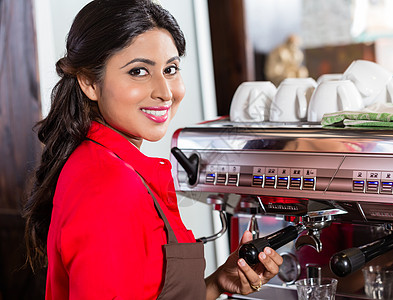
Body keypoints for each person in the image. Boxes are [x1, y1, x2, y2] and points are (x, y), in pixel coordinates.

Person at [23, 1, 283, 299]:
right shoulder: (109, 186)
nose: (164, 91)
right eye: (138, 71)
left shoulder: (110, 165)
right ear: (89, 82)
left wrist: (215, 284)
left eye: (170, 69)